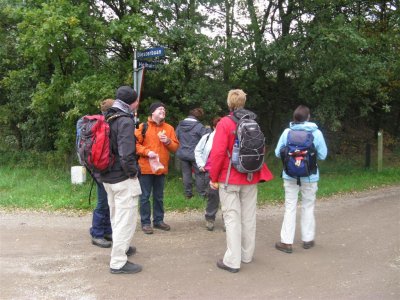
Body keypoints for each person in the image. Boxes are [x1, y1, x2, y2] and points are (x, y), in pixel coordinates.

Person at [209, 89, 273, 273]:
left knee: (232, 218)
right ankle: (246, 255)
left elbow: (218, 153)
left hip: (230, 179)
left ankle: (232, 260)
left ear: (229, 103)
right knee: (248, 217)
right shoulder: (252, 122)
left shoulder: (224, 123)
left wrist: (213, 178)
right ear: (243, 102)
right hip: (251, 176)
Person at [274, 105, 327, 253]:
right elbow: (323, 155)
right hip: (310, 176)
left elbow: (278, 153)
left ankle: (286, 242)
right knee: (308, 206)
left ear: (294, 118)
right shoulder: (316, 133)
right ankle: (308, 239)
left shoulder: (287, 132)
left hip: (290, 175)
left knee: (290, 206)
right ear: (308, 117)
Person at [100, 86, 142, 274]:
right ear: (132, 103)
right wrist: (133, 173)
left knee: (116, 216)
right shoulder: (125, 121)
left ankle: (121, 248)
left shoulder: (107, 116)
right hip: (122, 178)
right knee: (126, 220)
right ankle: (118, 262)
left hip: (107, 177)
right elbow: (126, 155)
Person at [135, 102, 179, 234]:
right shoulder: (143, 127)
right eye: (160, 109)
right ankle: (146, 223)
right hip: (145, 168)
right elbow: (134, 145)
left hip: (161, 168)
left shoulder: (169, 128)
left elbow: (176, 147)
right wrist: (147, 152)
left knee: (159, 196)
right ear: (152, 112)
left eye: (164, 109)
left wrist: (168, 141)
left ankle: (159, 221)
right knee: (144, 197)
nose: (163, 111)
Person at [89, 99, 115, 248]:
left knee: (107, 202)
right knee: (103, 202)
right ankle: (97, 233)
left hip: (101, 169)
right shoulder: (104, 125)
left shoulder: (103, 123)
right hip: (102, 170)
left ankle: (106, 231)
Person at [176, 108, 211, 199]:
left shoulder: (180, 125)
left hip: (183, 153)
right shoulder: (199, 126)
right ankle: (201, 195)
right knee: (199, 174)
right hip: (195, 154)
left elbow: (176, 137)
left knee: (186, 174)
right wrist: (208, 130)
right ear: (199, 117)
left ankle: (188, 194)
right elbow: (206, 138)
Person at [194, 116, 222, 231]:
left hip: (225, 172)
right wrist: (201, 164)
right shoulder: (207, 137)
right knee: (213, 196)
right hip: (210, 171)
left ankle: (228, 220)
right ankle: (210, 218)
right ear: (214, 126)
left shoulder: (230, 137)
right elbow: (197, 150)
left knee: (228, 197)